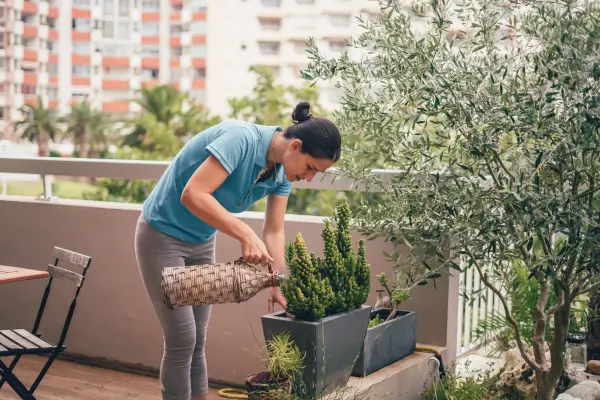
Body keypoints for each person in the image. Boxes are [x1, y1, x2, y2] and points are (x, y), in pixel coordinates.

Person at [134, 101, 342, 400]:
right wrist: (244, 232)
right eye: (310, 168)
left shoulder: (282, 175)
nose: (309, 178)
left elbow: (273, 230)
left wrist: (278, 281)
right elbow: (193, 194)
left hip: (201, 240)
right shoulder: (240, 139)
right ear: (295, 145)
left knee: (198, 339)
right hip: (161, 235)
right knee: (182, 338)